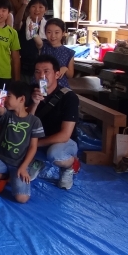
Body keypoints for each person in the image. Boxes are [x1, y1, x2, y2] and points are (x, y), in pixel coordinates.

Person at [0, 81, 44, 203]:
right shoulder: (8, 115)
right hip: (1, 159)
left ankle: (17, 173)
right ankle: (6, 176)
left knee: (22, 198)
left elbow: (33, 147)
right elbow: (0, 110)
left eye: (8, 96)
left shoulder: (35, 121)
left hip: (19, 163)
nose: (5, 99)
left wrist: (23, 167)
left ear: (21, 99)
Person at [27, 55, 80, 190]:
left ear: (57, 74)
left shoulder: (69, 97)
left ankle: (70, 166)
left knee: (55, 153)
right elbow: (25, 123)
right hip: (38, 138)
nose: (41, 76)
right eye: (37, 72)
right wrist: (34, 104)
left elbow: (65, 135)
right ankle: (37, 161)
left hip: (63, 143)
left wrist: (34, 144)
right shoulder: (30, 92)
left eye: (46, 71)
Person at [16, 0, 48, 84]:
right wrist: (25, 4)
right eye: (33, 6)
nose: (37, 10)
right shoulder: (23, 24)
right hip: (25, 68)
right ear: (29, 9)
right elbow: (17, 22)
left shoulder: (48, 26)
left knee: (41, 91)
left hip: (43, 70)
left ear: (46, 10)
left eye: (40, 7)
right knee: (25, 90)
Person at [38, 18, 75, 89]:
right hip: (43, 85)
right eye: (49, 32)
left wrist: (65, 69)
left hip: (61, 86)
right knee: (41, 95)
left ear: (63, 33)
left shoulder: (69, 52)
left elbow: (70, 75)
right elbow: (36, 38)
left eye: (57, 32)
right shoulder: (43, 46)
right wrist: (33, 31)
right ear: (45, 33)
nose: (53, 36)